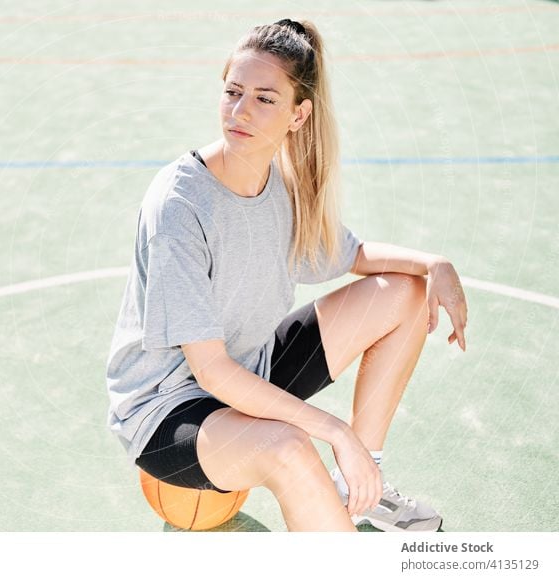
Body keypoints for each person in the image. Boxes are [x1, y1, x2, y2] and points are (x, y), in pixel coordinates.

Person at [105, 18, 468, 532]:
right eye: (233, 92)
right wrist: (337, 433)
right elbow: (210, 372)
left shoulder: (284, 188)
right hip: (168, 413)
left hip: (250, 369)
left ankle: (364, 489)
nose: (240, 111)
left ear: (300, 116)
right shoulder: (180, 205)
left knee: (404, 293)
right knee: (291, 448)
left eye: (264, 99)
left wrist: (434, 264)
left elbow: (353, 253)